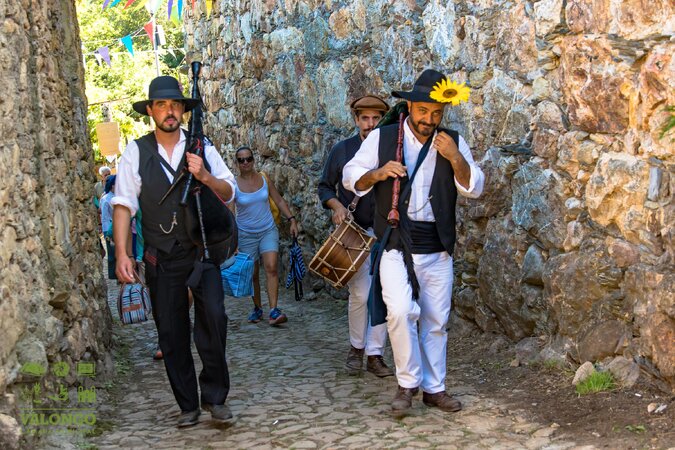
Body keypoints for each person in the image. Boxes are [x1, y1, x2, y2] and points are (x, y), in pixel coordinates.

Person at [343, 69, 485, 414]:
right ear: (409, 107)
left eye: (436, 113)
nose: (429, 120)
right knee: (401, 311)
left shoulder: (452, 141)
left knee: (436, 322)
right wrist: (378, 173)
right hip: (395, 243)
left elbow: (474, 187)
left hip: (437, 245)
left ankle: (434, 389)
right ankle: (407, 383)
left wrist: (455, 157)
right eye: (423, 111)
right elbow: (350, 176)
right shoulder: (383, 138)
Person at [112, 76, 236, 427]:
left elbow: (229, 191)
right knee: (170, 331)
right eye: (162, 105)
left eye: (175, 105)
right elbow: (123, 205)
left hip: (201, 252)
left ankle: (215, 397)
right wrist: (122, 253)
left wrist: (205, 176)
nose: (170, 111)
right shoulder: (136, 151)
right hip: (162, 256)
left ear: (183, 110)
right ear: (151, 111)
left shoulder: (202, 146)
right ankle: (187, 405)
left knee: (215, 318)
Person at [317, 95, 394, 378]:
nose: (370, 124)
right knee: (360, 293)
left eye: (376, 118)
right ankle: (356, 348)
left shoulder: (392, 149)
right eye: (365, 118)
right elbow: (325, 187)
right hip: (355, 233)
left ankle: (375, 355)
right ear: (356, 119)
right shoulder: (342, 150)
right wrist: (337, 207)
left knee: (384, 294)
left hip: (387, 233)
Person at [233, 146, 299, 326]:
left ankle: (274, 310)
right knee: (253, 273)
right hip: (246, 234)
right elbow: (231, 213)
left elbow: (278, 200)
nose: (245, 162)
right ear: (236, 163)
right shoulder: (233, 184)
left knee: (271, 267)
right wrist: (233, 240)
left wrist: (292, 219)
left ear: (253, 160)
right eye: (241, 160)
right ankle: (257, 308)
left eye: (248, 158)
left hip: (267, 229)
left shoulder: (264, 178)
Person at [100, 174, 116, 280]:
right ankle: (113, 274)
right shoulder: (106, 199)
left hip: (114, 226)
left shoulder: (114, 197)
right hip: (109, 228)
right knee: (112, 253)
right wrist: (106, 231)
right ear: (112, 185)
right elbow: (105, 217)